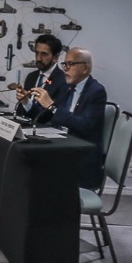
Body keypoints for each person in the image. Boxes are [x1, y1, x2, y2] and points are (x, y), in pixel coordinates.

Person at [30, 45, 109, 190]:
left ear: (85, 68)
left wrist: (52, 106)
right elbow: (47, 116)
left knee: (37, 176)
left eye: (70, 64)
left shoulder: (96, 91)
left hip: (81, 160)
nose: (65, 69)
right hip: (63, 149)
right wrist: (26, 102)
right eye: (64, 64)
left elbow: (84, 125)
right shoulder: (67, 87)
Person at [14, 33, 67, 121]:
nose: (38, 58)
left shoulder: (62, 81)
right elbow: (21, 110)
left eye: (44, 54)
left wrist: (27, 103)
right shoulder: (31, 77)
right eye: (37, 53)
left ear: (55, 57)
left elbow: (49, 117)